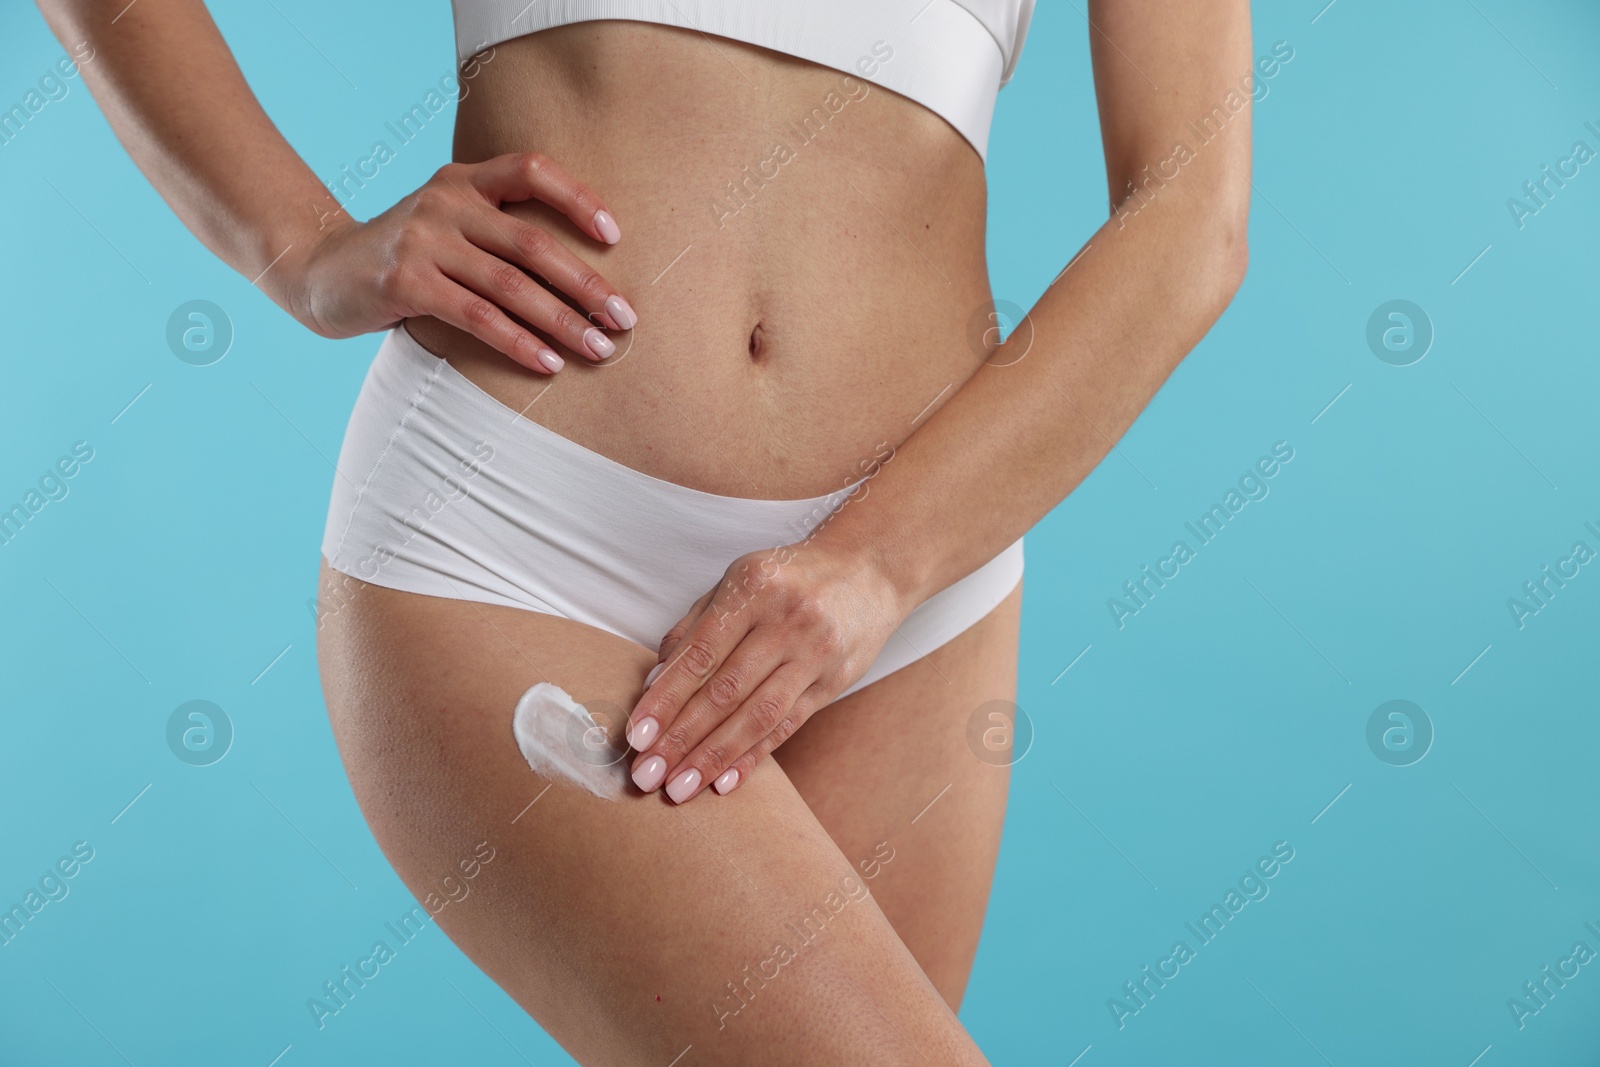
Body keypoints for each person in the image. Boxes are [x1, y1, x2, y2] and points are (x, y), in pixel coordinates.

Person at [39, 0, 1251, 1060]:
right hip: (524, 530)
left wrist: (879, 564)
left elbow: (1191, 211)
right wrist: (296, 246)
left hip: (919, 574)